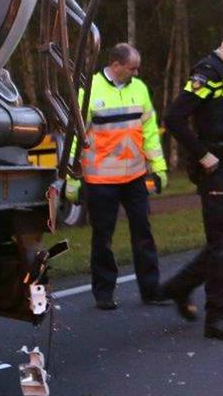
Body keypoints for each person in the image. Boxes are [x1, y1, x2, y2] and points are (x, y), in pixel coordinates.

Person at [159, 17, 223, 341]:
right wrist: (203, 154)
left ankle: (178, 286)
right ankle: (216, 317)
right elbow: (174, 117)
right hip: (213, 170)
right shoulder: (207, 73)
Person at [70, 42, 168, 310]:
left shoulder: (139, 89)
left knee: (143, 233)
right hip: (101, 180)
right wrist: (71, 177)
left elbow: (148, 130)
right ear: (115, 65)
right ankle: (103, 293)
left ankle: (151, 290)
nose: (136, 73)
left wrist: (158, 167)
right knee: (103, 236)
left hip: (135, 176)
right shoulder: (89, 91)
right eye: (131, 68)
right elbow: (74, 138)